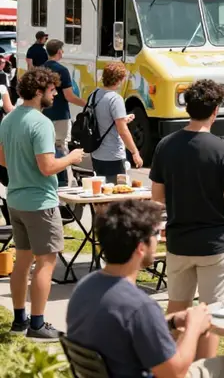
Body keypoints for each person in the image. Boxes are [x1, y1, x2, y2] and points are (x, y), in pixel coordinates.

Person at [66, 199, 224, 378]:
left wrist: (171, 322)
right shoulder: (140, 307)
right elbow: (174, 374)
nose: (159, 238)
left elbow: (127, 329)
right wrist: (194, 327)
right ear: (141, 248)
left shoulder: (84, 288)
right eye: (155, 234)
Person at [149, 79, 224, 360]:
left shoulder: (166, 145)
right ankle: (204, 370)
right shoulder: (223, 149)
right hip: (214, 243)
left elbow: (157, 197)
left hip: (179, 241)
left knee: (176, 310)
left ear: (187, 107)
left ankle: (170, 367)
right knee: (209, 315)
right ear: (215, 111)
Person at [0, 67, 85, 338]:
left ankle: (19, 321)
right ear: (39, 92)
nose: (55, 94)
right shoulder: (41, 123)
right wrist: (70, 158)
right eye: (52, 90)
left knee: (22, 262)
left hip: (16, 199)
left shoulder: (9, 119)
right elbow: (47, 167)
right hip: (40, 202)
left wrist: (22, 166)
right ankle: (37, 324)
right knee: (46, 263)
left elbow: (2, 159)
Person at [42, 38, 86, 188]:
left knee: (46, 146)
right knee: (60, 146)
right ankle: (62, 180)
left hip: (44, 114)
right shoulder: (62, 71)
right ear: (59, 52)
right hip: (60, 114)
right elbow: (69, 96)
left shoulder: (40, 69)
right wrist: (87, 104)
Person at [90, 62, 143, 182]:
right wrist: (135, 152)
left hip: (96, 152)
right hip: (113, 155)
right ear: (120, 79)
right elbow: (122, 131)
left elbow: (101, 118)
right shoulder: (115, 99)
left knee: (101, 189)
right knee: (115, 190)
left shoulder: (94, 95)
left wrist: (123, 119)